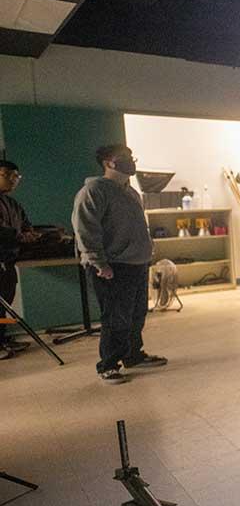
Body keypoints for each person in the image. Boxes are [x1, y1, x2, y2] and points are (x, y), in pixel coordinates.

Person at [72, 145, 168, 384]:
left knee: (136, 314)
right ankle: (108, 365)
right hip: (113, 266)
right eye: (123, 158)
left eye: (131, 157)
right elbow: (85, 229)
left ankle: (133, 355)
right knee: (116, 318)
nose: (130, 161)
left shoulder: (131, 192)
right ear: (108, 162)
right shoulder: (93, 191)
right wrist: (98, 262)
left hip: (136, 263)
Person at [0, 160, 37, 359]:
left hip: (9, 259)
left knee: (6, 301)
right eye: (8, 175)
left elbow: (25, 223)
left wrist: (29, 233)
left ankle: (3, 338)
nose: (14, 180)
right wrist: (18, 235)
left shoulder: (12, 203)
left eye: (17, 177)